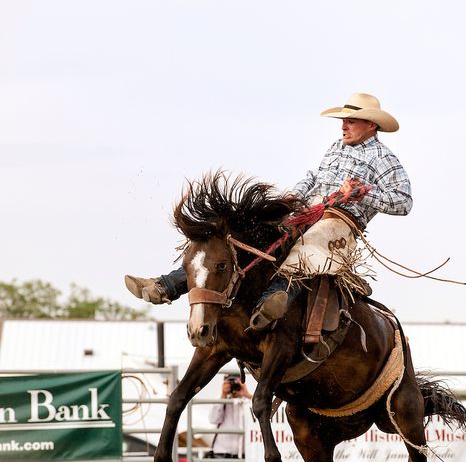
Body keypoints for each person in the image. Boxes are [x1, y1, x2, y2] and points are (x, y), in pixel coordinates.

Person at [125, 92, 412, 330]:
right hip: (307, 210)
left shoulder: (384, 159)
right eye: (343, 121)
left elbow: (403, 201)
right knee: (242, 234)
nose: (343, 126)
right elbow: (315, 175)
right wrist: (292, 198)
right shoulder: (336, 147)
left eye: (350, 121)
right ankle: (167, 285)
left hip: (340, 222)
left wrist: (364, 192)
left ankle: (274, 300)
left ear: (371, 125)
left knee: (308, 249)